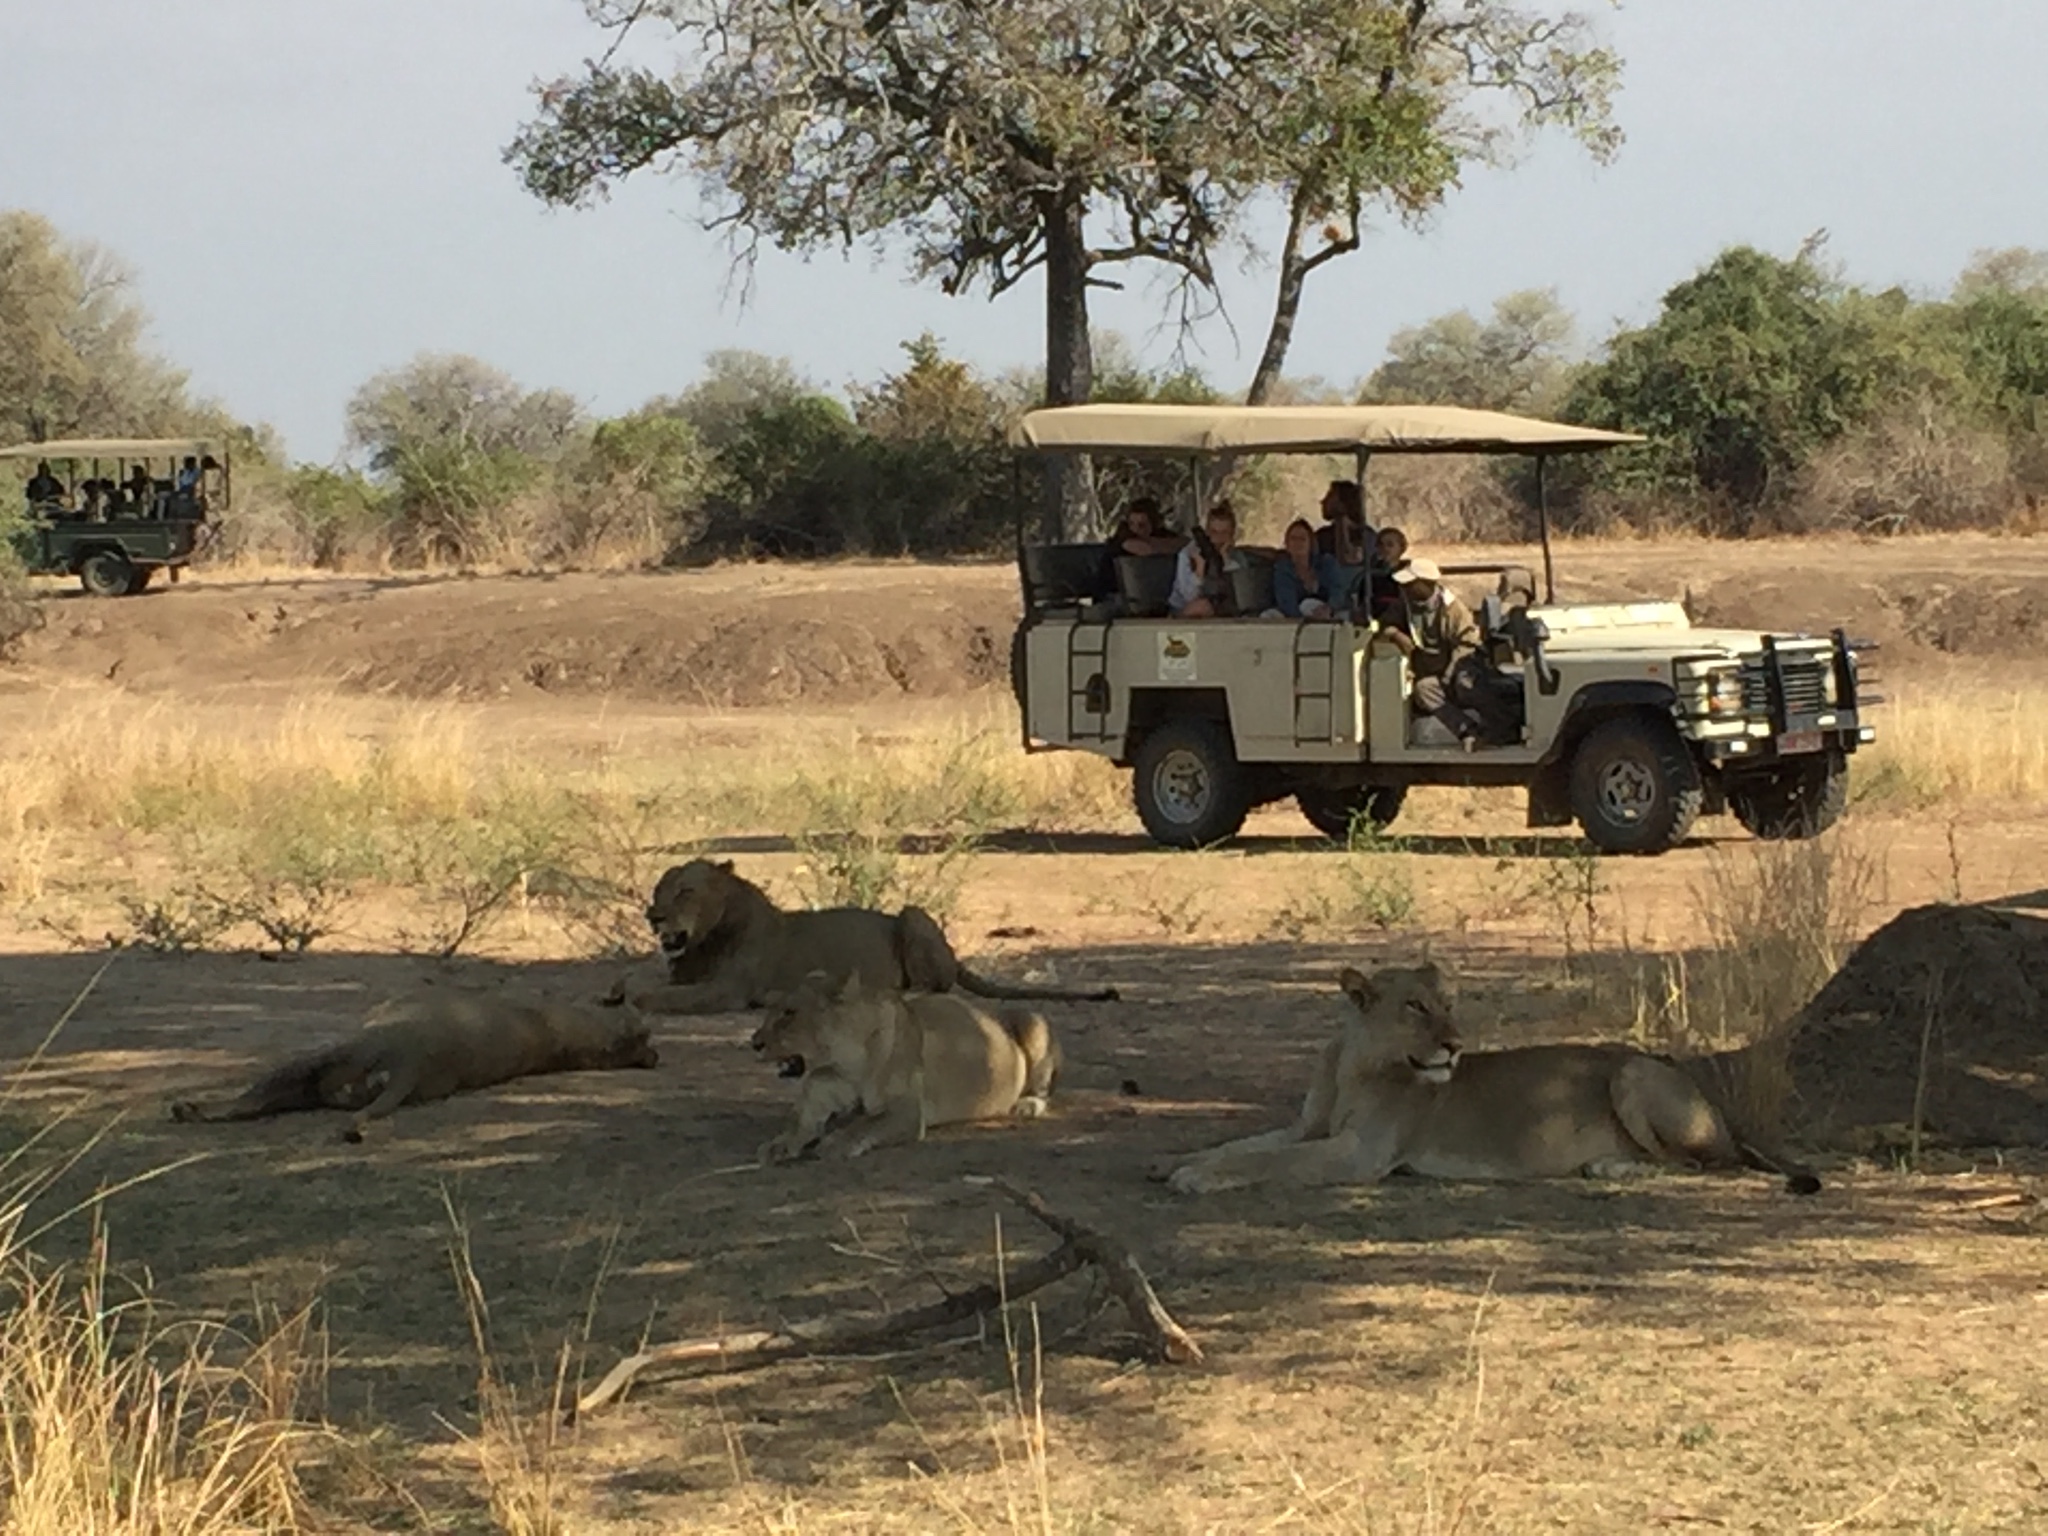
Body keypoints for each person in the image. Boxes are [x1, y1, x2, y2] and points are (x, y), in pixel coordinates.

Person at [1384, 556, 1486, 745]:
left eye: (1411, 583)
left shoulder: (1453, 609)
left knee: (1465, 684)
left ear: (1425, 584)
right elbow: (1386, 623)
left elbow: (1467, 644)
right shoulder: (1405, 604)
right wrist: (1396, 634)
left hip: (1455, 671)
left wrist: (1450, 674)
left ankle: (1493, 728)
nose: (1405, 588)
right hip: (1429, 676)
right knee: (1424, 690)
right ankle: (1465, 729)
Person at [1168, 501, 1245, 618]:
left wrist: (1225, 560)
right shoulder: (1188, 553)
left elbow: (1239, 594)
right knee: (1202, 606)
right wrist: (1199, 570)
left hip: (1222, 608)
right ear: (1207, 531)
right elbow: (1189, 596)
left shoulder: (1237, 556)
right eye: (1214, 532)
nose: (1219, 537)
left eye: (1224, 532)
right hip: (1184, 611)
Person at [1269, 518, 1346, 619]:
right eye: (1293, 539)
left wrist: (1329, 608)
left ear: (1311, 543)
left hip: (1329, 613)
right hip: (1298, 619)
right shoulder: (1283, 569)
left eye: (1302, 539)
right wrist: (1303, 621)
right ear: (1287, 544)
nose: (1298, 543)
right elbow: (1286, 601)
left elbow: (1338, 590)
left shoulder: (1326, 563)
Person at [1314, 479, 1369, 567]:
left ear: (1343, 503)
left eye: (1330, 497)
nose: (1323, 502)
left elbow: (1348, 560)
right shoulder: (1321, 536)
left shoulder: (1365, 536)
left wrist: (1342, 526)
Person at [1106, 497, 1181, 558]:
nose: (1135, 529)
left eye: (1141, 525)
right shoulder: (1123, 537)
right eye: (1131, 524)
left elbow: (1184, 544)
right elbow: (1146, 549)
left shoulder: (1160, 534)